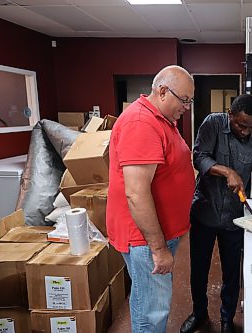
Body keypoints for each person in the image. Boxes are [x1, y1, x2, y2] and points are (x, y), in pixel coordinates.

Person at [180, 94, 252, 333]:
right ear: (230, 114)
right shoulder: (212, 124)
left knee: (231, 272)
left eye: (251, 126)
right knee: (199, 269)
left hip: (235, 219)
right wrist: (227, 171)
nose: (246, 131)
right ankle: (199, 313)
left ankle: (227, 319)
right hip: (205, 212)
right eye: (240, 125)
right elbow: (200, 157)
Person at [106, 65, 195, 333]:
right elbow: (136, 193)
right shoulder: (141, 123)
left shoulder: (162, 119)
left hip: (158, 232)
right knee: (152, 310)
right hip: (145, 239)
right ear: (163, 91)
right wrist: (158, 249)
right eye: (185, 100)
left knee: (145, 298)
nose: (187, 107)